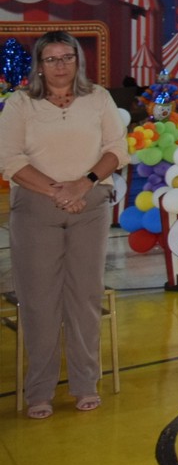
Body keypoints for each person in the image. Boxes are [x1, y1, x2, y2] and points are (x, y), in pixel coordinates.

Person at [0, 32, 129, 419]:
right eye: (51, 59)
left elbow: (117, 149)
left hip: (89, 206)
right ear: (39, 65)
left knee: (85, 297)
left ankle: (85, 383)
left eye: (67, 58)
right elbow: (9, 158)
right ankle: (38, 391)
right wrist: (57, 191)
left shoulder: (99, 98)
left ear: (78, 61)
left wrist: (82, 184)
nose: (60, 66)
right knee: (38, 302)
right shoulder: (20, 104)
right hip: (36, 209)